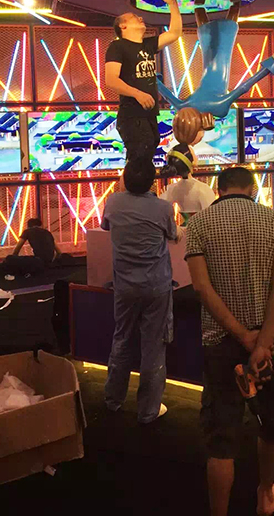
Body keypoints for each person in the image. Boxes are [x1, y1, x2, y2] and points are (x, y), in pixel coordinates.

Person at [185, 167, 274, 516]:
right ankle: (266, 495)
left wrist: (241, 335)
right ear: (252, 189)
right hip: (270, 342)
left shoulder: (199, 225)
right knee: (273, 423)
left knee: (221, 437)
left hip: (221, 342)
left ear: (219, 190)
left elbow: (201, 289)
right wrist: (261, 343)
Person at [101, 158, 181, 423]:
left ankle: (113, 399)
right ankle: (148, 411)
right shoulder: (163, 208)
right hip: (156, 286)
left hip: (124, 286)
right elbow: (173, 234)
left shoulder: (113, 202)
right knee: (153, 347)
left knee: (121, 339)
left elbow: (105, 226)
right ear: (152, 182)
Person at [105, 0, 182, 162]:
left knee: (148, 153)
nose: (140, 17)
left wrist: (172, 4)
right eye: (134, 17)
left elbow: (174, 33)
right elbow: (111, 80)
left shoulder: (148, 45)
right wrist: (138, 94)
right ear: (122, 26)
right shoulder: (117, 47)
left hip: (149, 113)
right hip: (132, 114)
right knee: (139, 158)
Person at [160, 143, 216, 217]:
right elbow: (212, 215)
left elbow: (160, 210)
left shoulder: (171, 189)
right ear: (191, 162)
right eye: (194, 154)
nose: (196, 156)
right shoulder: (203, 189)